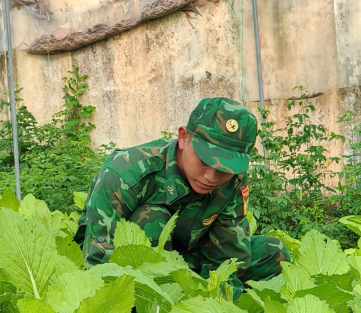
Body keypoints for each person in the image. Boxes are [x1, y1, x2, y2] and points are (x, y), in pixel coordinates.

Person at [74, 97, 290, 293]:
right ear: (183, 138)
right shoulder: (125, 172)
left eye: (225, 168)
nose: (211, 177)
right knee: (152, 217)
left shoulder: (232, 180)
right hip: (135, 269)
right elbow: (100, 261)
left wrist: (218, 312)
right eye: (205, 160)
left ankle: (190, 297)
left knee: (273, 252)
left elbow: (229, 255)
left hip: (189, 257)